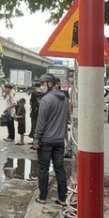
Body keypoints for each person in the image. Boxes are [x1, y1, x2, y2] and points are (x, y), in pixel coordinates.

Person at [32, 73, 71, 208]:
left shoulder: (46, 100)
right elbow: (67, 118)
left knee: (43, 169)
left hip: (46, 140)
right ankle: (62, 198)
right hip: (59, 140)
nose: (41, 87)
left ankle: (42, 197)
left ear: (49, 84)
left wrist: (36, 139)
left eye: (43, 84)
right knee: (59, 168)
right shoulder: (64, 99)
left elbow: (41, 122)